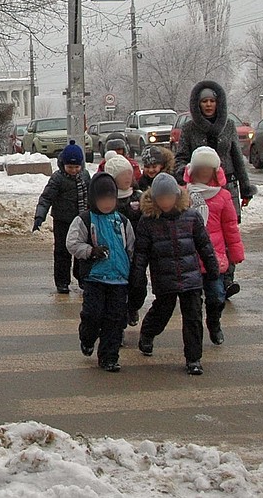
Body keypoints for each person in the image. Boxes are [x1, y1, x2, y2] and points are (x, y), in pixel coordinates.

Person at [129, 172, 219, 375]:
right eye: (162, 199)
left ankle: (194, 358)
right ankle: (147, 334)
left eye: (169, 197)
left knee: (193, 317)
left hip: (191, 277)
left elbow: (204, 244)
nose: (166, 202)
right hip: (164, 276)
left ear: (177, 196)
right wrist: (138, 275)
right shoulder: (148, 221)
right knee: (162, 311)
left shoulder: (191, 216)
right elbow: (141, 253)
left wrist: (212, 266)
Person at [66, 172, 136, 371]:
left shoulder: (122, 221)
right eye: (102, 199)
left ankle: (109, 357)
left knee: (115, 320)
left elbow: (131, 247)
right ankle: (87, 337)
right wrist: (90, 251)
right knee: (93, 315)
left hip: (119, 280)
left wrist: (131, 270)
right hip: (95, 278)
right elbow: (72, 243)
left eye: (110, 199)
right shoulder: (85, 220)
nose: (107, 203)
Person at [183, 147, 244, 346]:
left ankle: (214, 322)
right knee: (193, 303)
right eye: (200, 169)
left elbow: (230, 227)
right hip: (191, 257)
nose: (203, 174)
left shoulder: (223, 196)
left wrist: (235, 252)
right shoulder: (185, 195)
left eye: (207, 170)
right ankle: (196, 333)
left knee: (217, 296)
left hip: (214, 258)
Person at [173, 81, 253, 224]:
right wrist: (186, 176)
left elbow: (237, 158)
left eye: (212, 101)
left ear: (218, 103)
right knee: (204, 229)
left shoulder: (228, 126)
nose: (208, 105)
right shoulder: (189, 128)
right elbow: (181, 158)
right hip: (200, 190)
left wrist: (245, 188)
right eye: (204, 101)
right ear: (198, 104)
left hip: (228, 186)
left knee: (230, 228)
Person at [33, 141, 90, 294]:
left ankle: (83, 278)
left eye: (76, 167)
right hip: (62, 221)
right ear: (63, 164)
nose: (73, 170)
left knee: (83, 251)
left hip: (82, 221)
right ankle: (62, 281)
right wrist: (40, 216)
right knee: (62, 252)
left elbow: (92, 195)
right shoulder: (57, 178)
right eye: (70, 167)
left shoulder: (85, 176)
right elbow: (46, 198)